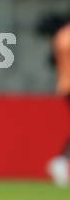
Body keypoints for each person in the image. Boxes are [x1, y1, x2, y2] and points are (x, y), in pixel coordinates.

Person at [47, 24, 70, 186]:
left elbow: (52, 60)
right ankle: (61, 160)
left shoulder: (62, 34)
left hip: (64, 83)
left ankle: (61, 160)